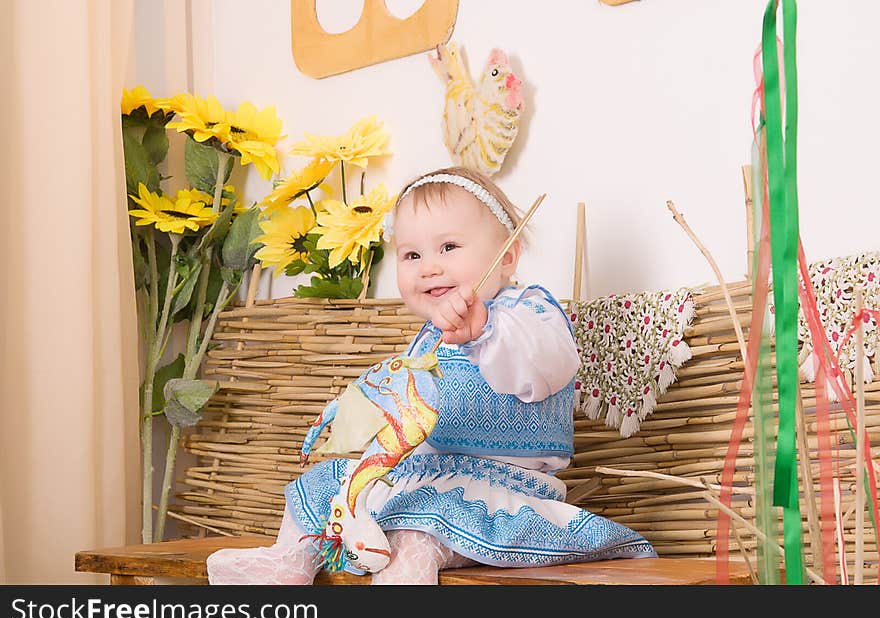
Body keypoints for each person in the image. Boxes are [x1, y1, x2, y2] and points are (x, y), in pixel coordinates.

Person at [206, 166, 656, 585]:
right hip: (418, 479)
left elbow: (543, 365)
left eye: (449, 248)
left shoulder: (528, 313)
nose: (429, 266)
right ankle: (291, 561)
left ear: (508, 256)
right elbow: (404, 403)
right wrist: (358, 414)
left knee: (416, 540)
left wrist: (485, 332)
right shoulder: (426, 339)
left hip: (494, 492)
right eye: (412, 254)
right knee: (322, 485)